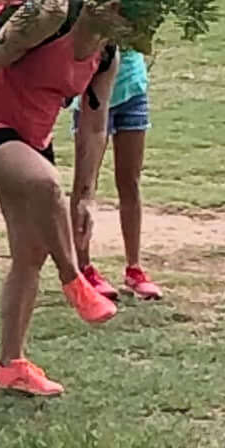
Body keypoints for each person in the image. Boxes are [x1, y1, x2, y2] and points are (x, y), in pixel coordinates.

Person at [0, 0, 156, 400]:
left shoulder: (107, 54)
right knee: (45, 185)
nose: (122, 25)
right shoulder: (50, 13)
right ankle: (75, 280)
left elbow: (92, 125)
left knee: (28, 255)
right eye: (120, 12)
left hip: (30, 138)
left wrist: (86, 196)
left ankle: (10, 366)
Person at [72, 30, 164, 301]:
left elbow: (143, 39)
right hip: (93, 92)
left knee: (130, 181)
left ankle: (134, 269)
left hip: (132, 89)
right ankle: (83, 268)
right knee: (86, 182)